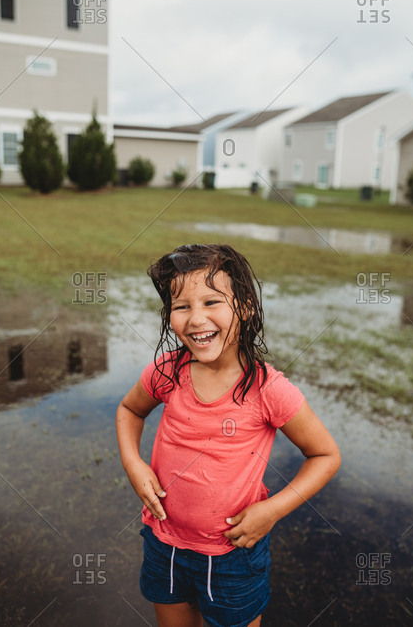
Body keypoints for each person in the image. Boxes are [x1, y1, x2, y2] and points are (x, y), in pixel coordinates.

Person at [116, 244, 341, 627]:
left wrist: (272, 511)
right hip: (163, 543)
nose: (196, 318)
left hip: (233, 555)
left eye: (211, 302)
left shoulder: (268, 389)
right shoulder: (167, 370)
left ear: (246, 307)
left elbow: (325, 455)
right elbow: (130, 410)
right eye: (182, 306)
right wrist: (133, 464)